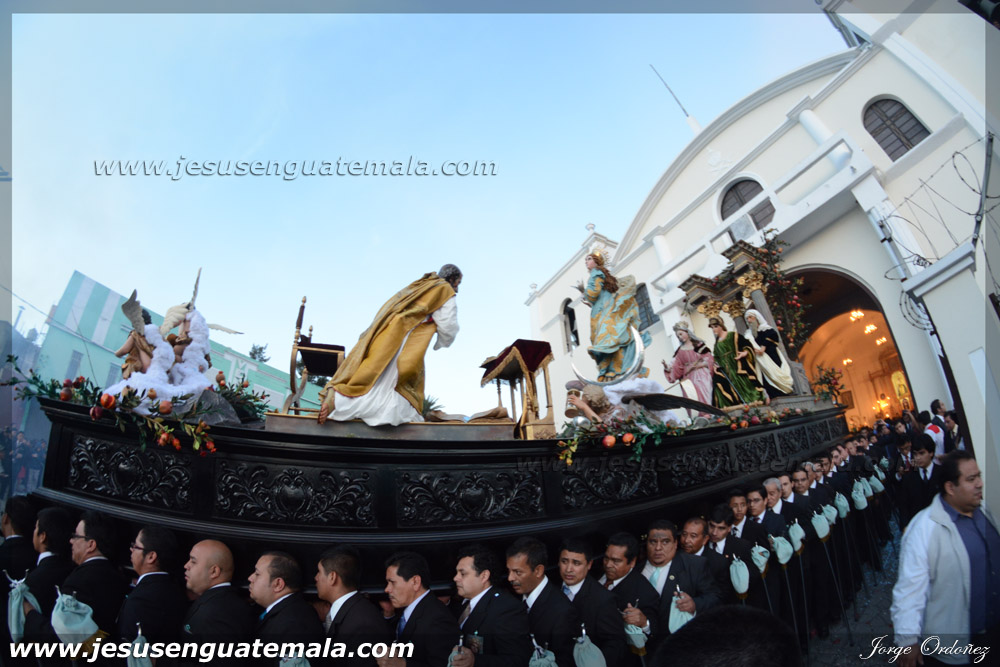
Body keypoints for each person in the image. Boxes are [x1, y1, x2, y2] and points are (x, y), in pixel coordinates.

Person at [891, 451, 1000, 666]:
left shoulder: (984, 511)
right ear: (950, 487)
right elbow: (909, 589)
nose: (980, 484)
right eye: (971, 479)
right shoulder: (923, 529)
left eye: (978, 476)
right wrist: (907, 640)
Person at [318, 265, 462, 426]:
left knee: (371, 373)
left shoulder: (423, 284)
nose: (457, 288)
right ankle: (386, 415)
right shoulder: (445, 290)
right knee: (399, 379)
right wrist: (441, 341)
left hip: (387, 330)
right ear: (452, 279)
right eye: (458, 283)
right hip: (408, 336)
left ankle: (339, 400)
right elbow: (448, 324)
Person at [449, 544, 531, 667]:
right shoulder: (462, 604)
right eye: (457, 573)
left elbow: (518, 660)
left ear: (484, 576)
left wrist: (475, 661)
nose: (456, 578)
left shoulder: (507, 609)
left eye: (463, 573)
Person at [505, 537, 580, 667]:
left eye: (517, 572)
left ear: (538, 570)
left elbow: (564, 661)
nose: (510, 578)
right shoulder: (511, 597)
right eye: (509, 571)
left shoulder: (563, 612)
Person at [578, 249, 651, 382]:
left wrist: (584, 291)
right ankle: (618, 368)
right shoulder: (606, 276)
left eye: (589, 259)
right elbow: (601, 297)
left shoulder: (595, 273)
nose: (586, 262)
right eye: (586, 260)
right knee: (615, 338)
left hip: (603, 313)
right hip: (607, 310)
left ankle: (610, 371)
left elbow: (593, 293)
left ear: (596, 261)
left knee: (605, 340)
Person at [315, 545, 391, 667]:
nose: (316, 578)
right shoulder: (352, 612)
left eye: (319, 572)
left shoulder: (363, 625)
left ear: (332, 577)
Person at [380, 551, 458, 667]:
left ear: (415, 582)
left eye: (392, 582)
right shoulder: (407, 611)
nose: (387, 589)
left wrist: (402, 665)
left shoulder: (438, 619)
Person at [558, 536, 627, 667]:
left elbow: (615, 644)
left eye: (576, 563)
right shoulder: (552, 588)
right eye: (564, 561)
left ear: (589, 565)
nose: (568, 569)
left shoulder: (603, 600)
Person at [182, 539, 254, 664]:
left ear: (214, 571)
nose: (186, 565)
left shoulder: (220, 613)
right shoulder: (220, 602)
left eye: (193, 561)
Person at [250, 551, 325, 666]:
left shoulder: (295, 625)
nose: (250, 578)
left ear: (278, 584)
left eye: (257, 574)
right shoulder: (284, 614)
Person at [119, 525, 187, 648]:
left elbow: (130, 649)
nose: (131, 549)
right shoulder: (176, 589)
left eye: (136, 546)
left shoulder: (141, 600)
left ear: (151, 557)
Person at [599, 532, 661, 663]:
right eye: (606, 558)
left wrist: (644, 622)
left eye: (616, 561)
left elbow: (655, 631)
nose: (608, 565)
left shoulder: (645, 592)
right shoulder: (597, 572)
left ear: (632, 562)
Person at [708, 317, 766, 408]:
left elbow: (746, 345)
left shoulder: (733, 335)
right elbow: (716, 356)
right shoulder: (717, 343)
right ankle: (737, 404)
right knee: (723, 384)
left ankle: (753, 401)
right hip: (725, 368)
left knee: (744, 382)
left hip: (736, 363)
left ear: (721, 326)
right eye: (712, 327)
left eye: (715, 326)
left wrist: (745, 352)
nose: (713, 329)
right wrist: (716, 365)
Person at [662, 320, 715, 407]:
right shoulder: (680, 351)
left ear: (687, 332)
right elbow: (676, 366)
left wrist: (700, 365)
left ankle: (709, 411)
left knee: (705, 395)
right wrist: (667, 368)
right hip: (688, 379)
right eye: (678, 336)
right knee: (692, 398)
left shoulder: (699, 345)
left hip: (702, 376)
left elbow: (709, 359)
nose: (680, 337)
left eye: (681, 334)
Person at [742, 309, 793, 397]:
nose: (749, 320)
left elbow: (773, 336)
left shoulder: (766, 329)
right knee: (767, 383)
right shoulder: (749, 334)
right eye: (747, 319)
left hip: (771, 357)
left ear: (757, 317)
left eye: (750, 317)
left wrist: (764, 346)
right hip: (761, 362)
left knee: (777, 377)